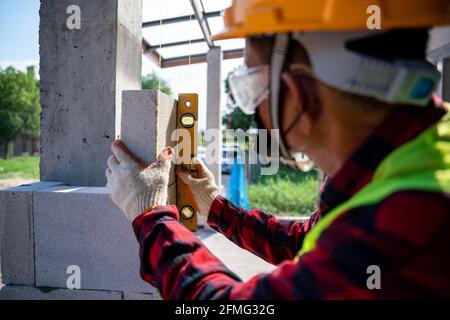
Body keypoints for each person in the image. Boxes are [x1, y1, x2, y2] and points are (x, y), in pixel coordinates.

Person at [106, 0, 450, 299]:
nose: (256, 106)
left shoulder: (403, 221)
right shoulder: (417, 157)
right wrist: (215, 207)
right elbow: (308, 243)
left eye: (253, 87)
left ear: (296, 93)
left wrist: (151, 215)